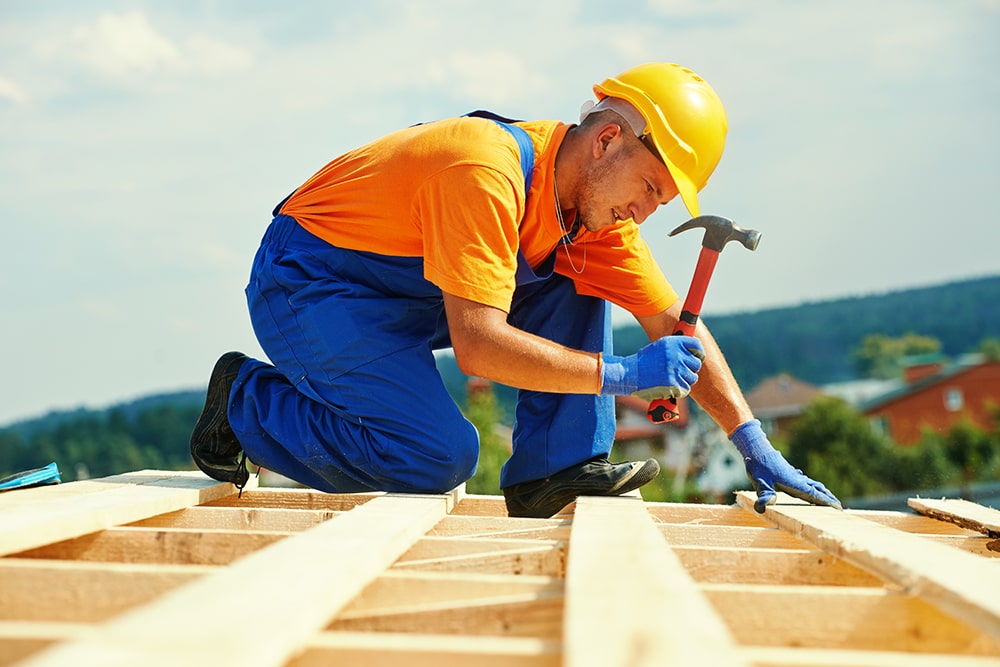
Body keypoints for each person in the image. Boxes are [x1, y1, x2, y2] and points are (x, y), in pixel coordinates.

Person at [190, 62, 841, 518]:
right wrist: (620, 372)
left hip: (406, 293)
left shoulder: (594, 214)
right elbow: (477, 345)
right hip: (311, 283)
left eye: (662, 202)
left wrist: (750, 438)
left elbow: (674, 325)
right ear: (608, 141)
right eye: (648, 190)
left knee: (576, 272)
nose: (645, 212)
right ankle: (243, 403)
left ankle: (553, 469)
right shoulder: (484, 170)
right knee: (437, 457)